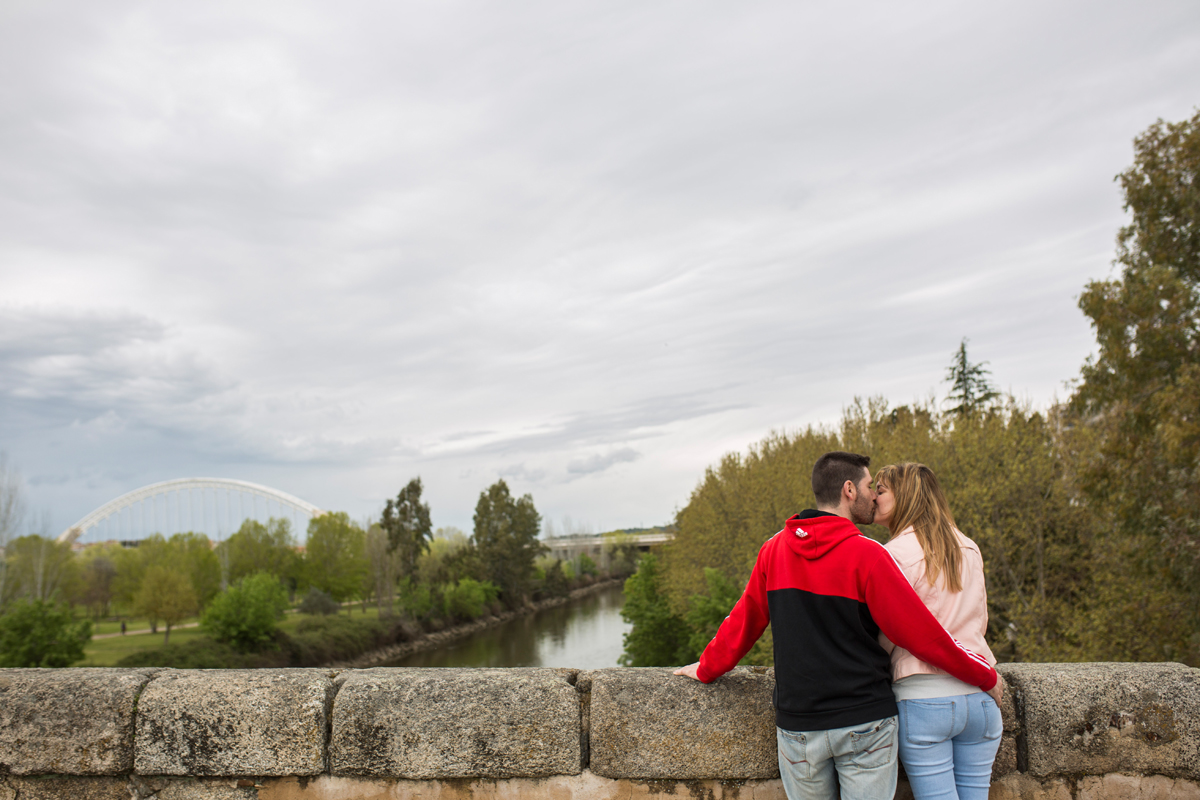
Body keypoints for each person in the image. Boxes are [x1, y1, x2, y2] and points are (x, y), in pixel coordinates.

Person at [674, 451, 1002, 800]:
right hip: (865, 717)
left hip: (799, 722)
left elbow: (745, 620)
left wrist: (708, 668)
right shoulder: (869, 554)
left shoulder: (772, 550)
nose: (874, 496)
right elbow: (921, 635)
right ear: (849, 490)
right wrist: (984, 675)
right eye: (868, 486)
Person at [874, 462, 1002, 800]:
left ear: (904, 497)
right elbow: (980, 621)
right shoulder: (969, 547)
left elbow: (889, 634)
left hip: (924, 699)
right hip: (980, 700)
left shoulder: (894, 555)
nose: (873, 497)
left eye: (881, 490)